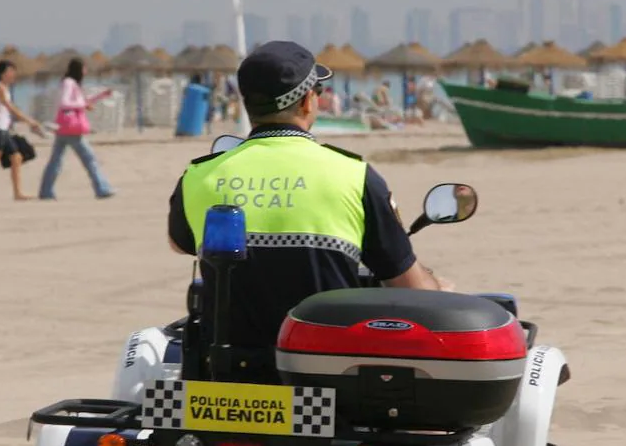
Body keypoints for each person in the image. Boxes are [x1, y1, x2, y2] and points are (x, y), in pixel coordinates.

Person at [167, 41, 450, 361]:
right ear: (306, 101)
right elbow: (409, 287)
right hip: (324, 378)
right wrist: (439, 290)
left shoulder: (199, 176)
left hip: (224, 374)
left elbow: (180, 242)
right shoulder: (353, 176)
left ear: (247, 104)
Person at [38, 58, 115, 200]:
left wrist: (101, 95)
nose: (86, 71)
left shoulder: (72, 84)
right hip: (71, 128)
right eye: (84, 68)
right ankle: (102, 188)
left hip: (65, 128)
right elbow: (65, 102)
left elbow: (80, 101)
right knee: (89, 158)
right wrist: (82, 105)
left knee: (56, 160)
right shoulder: (69, 83)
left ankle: (46, 191)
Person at [0, 60, 43, 202]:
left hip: (4, 130)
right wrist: (30, 121)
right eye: (11, 71)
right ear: (3, 73)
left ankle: (17, 193)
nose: (13, 74)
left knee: (16, 157)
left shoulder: (4, 88)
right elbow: (10, 108)